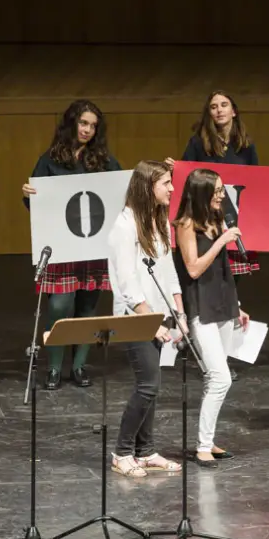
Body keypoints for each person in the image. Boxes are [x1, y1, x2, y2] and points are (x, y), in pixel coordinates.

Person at [168, 90, 269, 380]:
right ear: (208, 113)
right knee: (202, 284)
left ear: (234, 111)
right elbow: (188, 178)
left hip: (233, 220)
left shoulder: (245, 145)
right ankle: (202, 348)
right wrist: (175, 168)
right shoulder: (198, 142)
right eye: (213, 106)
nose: (219, 110)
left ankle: (219, 352)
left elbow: (256, 180)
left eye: (224, 105)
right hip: (204, 224)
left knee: (227, 284)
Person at [21, 99, 122, 390]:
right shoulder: (50, 159)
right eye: (83, 123)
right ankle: (54, 367)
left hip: (93, 246)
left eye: (93, 125)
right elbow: (36, 204)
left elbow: (119, 194)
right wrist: (29, 194)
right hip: (62, 247)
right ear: (71, 124)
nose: (87, 130)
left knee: (87, 307)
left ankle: (78, 366)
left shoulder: (104, 161)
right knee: (59, 305)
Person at [107, 160, 184, 478]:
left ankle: (146, 450)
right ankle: (122, 452)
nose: (171, 188)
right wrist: (149, 320)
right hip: (136, 318)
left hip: (161, 314)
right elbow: (125, 282)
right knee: (148, 385)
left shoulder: (160, 222)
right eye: (165, 182)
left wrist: (179, 312)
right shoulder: (124, 227)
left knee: (153, 385)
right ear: (147, 186)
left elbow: (168, 270)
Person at [174, 168, 252, 468]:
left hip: (221, 304)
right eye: (217, 190)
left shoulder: (217, 220)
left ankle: (207, 440)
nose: (222, 195)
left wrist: (237, 305)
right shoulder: (186, 225)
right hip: (201, 309)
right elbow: (193, 269)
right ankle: (203, 445)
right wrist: (223, 241)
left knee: (214, 378)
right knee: (220, 377)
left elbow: (222, 270)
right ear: (202, 192)